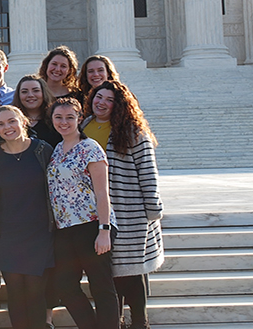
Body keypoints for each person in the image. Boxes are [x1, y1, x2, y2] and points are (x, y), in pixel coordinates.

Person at [81, 82, 163, 329]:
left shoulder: (134, 132)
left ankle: (140, 321)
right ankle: (113, 321)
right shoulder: (84, 126)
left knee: (132, 271)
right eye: (99, 96)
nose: (101, 102)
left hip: (130, 211)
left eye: (109, 100)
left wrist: (153, 210)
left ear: (120, 106)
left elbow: (148, 173)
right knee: (109, 272)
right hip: (96, 212)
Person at [47, 97, 119, 329]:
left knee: (101, 286)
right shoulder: (57, 149)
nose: (64, 122)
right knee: (65, 285)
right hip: (65, 229)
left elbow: (102, 192)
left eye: (70, 117)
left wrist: (104, 230)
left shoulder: (90, 148)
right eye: (58, 117)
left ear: (79, 118)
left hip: (92, 225)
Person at [0, 105, 55, 329]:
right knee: (15, 293)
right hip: (7, 235)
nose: (8, 127)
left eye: (12, 121)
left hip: (39, 233)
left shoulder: (42, 150)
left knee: (35, 291)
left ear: (23, 121)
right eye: (1, 124)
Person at [12, 75, 60, 148]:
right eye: (24, 92)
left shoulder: (56, 120)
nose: (30, 95)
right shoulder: (12, 122)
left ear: (44, 93)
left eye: (36, 90)